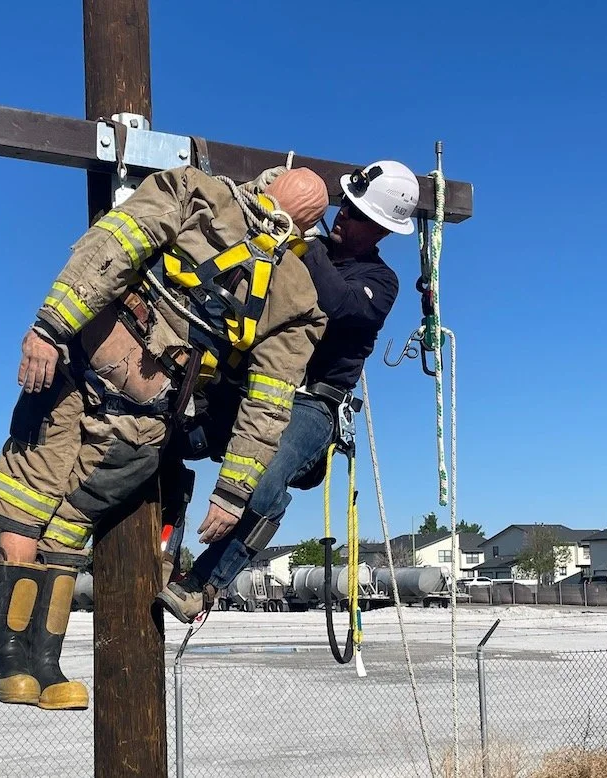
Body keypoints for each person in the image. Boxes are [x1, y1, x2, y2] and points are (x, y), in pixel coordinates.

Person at [0, 164, 330, 710]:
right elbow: (268, 403)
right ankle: (24, 666)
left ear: (265, 180)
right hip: (134, 414)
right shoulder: (297, 296)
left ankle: (25, 666)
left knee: (34, 502)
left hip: (85, 367)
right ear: (311, 231)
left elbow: (109, 248)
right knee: (60, 517)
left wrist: (51, 325)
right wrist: (234, 489)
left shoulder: (194, 192)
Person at [158, 160, 420, 623]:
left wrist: (296, 236)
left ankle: (201, 585)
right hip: (255, 385)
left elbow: (338, 304)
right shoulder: (301, 247)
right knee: (164, 434)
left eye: (358, 215)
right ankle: (162, 543)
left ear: (380, 230)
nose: (344, 216)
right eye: (345, 205)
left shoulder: (380, 281)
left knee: (262, 476)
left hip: (312, 403)